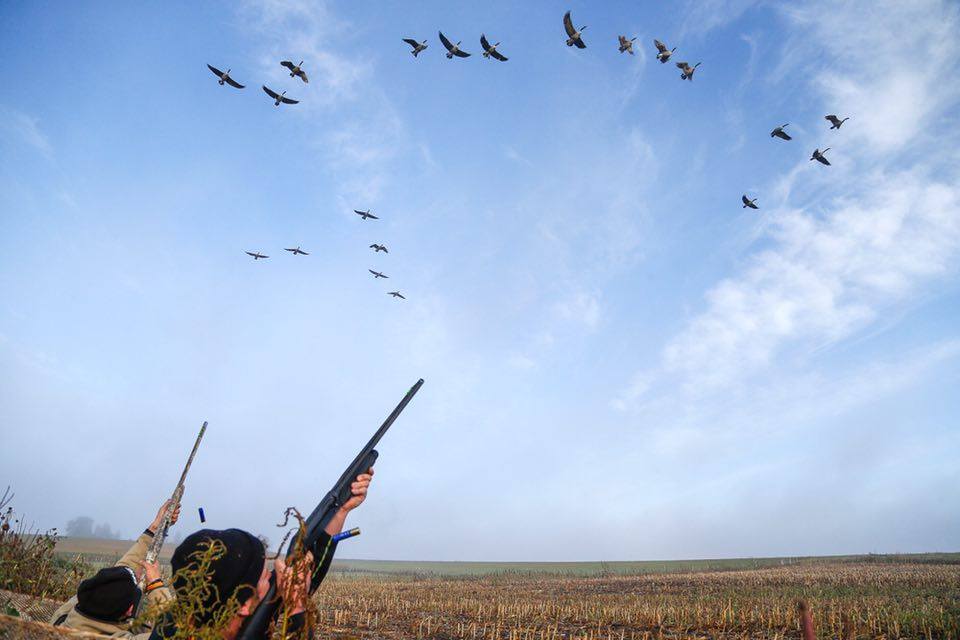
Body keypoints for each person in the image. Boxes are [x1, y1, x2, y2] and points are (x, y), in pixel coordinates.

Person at [148, 469, 374, 640]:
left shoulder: (175, 622)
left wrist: (340, 510)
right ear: (244, 605)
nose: (274, 572)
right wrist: (297, 610)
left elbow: (301, 576)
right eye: (263, 575)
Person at [50, 500, 181, 636]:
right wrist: (156, 585)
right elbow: (176, 632)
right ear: (130, 610)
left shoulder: (62, 620)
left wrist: (154, 528)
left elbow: (115, 580)